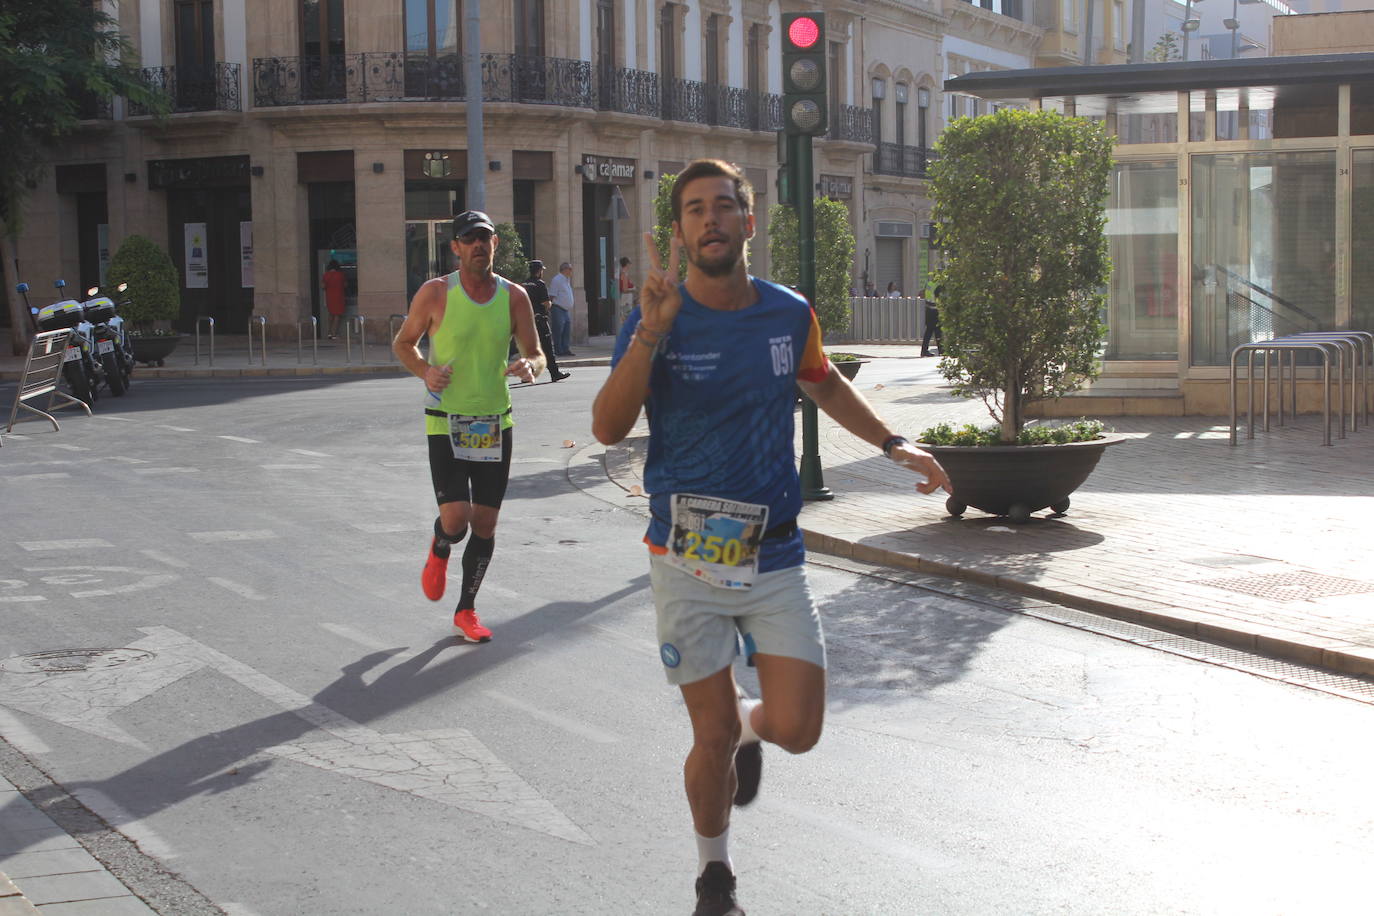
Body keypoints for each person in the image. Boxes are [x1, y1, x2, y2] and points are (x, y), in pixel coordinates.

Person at [591, 159, 950, 916]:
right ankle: (713, 876)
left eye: (724, 206)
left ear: (749, 222)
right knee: (708, 732)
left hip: (776, 548)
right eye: (694, 209)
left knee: (796, 727)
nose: (710, 219)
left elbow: (821, 381)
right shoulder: (657, 313)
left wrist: (894, 445)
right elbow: (607, 426)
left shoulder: (788, 314)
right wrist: (649, 337)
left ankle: (756, 731)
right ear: (679, 230)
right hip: (684, 552)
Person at [392, 210, 546, 644]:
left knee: (485, 524)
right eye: (469, 238)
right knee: (457, 519)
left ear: (495, 244)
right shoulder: (436, 293)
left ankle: (466, 611)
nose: (478, 245)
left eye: (485, 237)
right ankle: (441, 546)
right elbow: (403, 343)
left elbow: (535, 353)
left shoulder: (515, 296)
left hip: (495, 421)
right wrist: (425, 371)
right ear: (456, 247)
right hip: (446, 420)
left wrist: (527, 366)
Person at [523, 260, 569, 382]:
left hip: (526, 320)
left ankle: (527, 374)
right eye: (542, 270)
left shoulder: (524, 284)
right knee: (548, 348)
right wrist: (549, 305)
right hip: (539, 320)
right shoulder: (540, 284)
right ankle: (555, 373)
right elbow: (546, 303)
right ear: (539, 271)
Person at [549, 261, 576, 357]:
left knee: (566, 330)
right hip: (558, 308)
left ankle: (565, 349)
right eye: (570, 269)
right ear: (565, 270)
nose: (572, 271)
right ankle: (558, 350)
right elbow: (552, 295)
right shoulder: (557, 280)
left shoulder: (566, 280)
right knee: (558, 330)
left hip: (565, 310)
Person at [322, 259, 347, 339]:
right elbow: (345, 285)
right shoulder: (340, 275)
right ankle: (334, 334)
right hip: (339, 296)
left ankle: (329, 332)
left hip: (329, 297)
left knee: (331, 314)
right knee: (337, 315)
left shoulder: (326, 275)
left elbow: (323, 286)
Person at [921, 284, 943, 357]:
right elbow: (939, 297)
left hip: (928, 310)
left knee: (929, 331)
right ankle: (941, 350)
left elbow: (922, 294)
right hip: (935, 310)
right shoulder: (939, 284)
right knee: (938, 331)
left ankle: (924, 351)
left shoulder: (929, 284)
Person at [618, 255, 636, 326]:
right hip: (625, 298)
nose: (630, 265)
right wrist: (633, 289)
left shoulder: (622, 273)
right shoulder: (624, 274)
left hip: (625, 298)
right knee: (627, 317)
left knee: (625, 317)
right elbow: (625, 289)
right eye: (629, 263)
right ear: (627, 264)